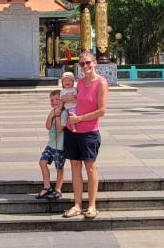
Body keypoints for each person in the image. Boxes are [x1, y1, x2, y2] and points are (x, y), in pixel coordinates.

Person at [60, 51, 108, 219]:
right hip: (72, 130)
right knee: (75, 166)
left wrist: (80, 118)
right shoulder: (80, 82)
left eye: (88, 62)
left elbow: (102, 111)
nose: (85, 66)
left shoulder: (101, 83)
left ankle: (92, 205)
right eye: (82, 64)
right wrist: (63, 99)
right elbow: (73, 102)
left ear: (95, 62)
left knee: (90, 167)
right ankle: (77, 204)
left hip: (89, 131)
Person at [37, 90, 67, 200]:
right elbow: (48, 127)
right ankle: (47, 187)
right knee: (42, 162)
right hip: (51, 145)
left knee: (59, 168)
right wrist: (51, 115)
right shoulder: (53, 112)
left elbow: (60, 128)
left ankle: (58, 189)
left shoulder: (64, 113)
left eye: (57, 99)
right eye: (51, 100)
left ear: (62, 100)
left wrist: (57, 115)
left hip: (60, 147)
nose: (54, 102)